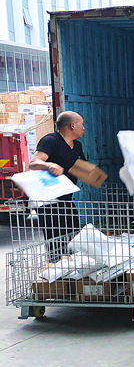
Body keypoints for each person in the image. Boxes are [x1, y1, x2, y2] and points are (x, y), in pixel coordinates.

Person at [29, 111, 85, 259]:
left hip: (66, 199)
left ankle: (72, 267)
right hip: (49, 201)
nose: (84, 128)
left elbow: (82, 168)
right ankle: (56, 267)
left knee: (74, 235)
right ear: (72, 125)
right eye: (82, 124)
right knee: (56, 241)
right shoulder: (51, 141)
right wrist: (48, 165)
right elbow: (33, 163)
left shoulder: (77, 146)